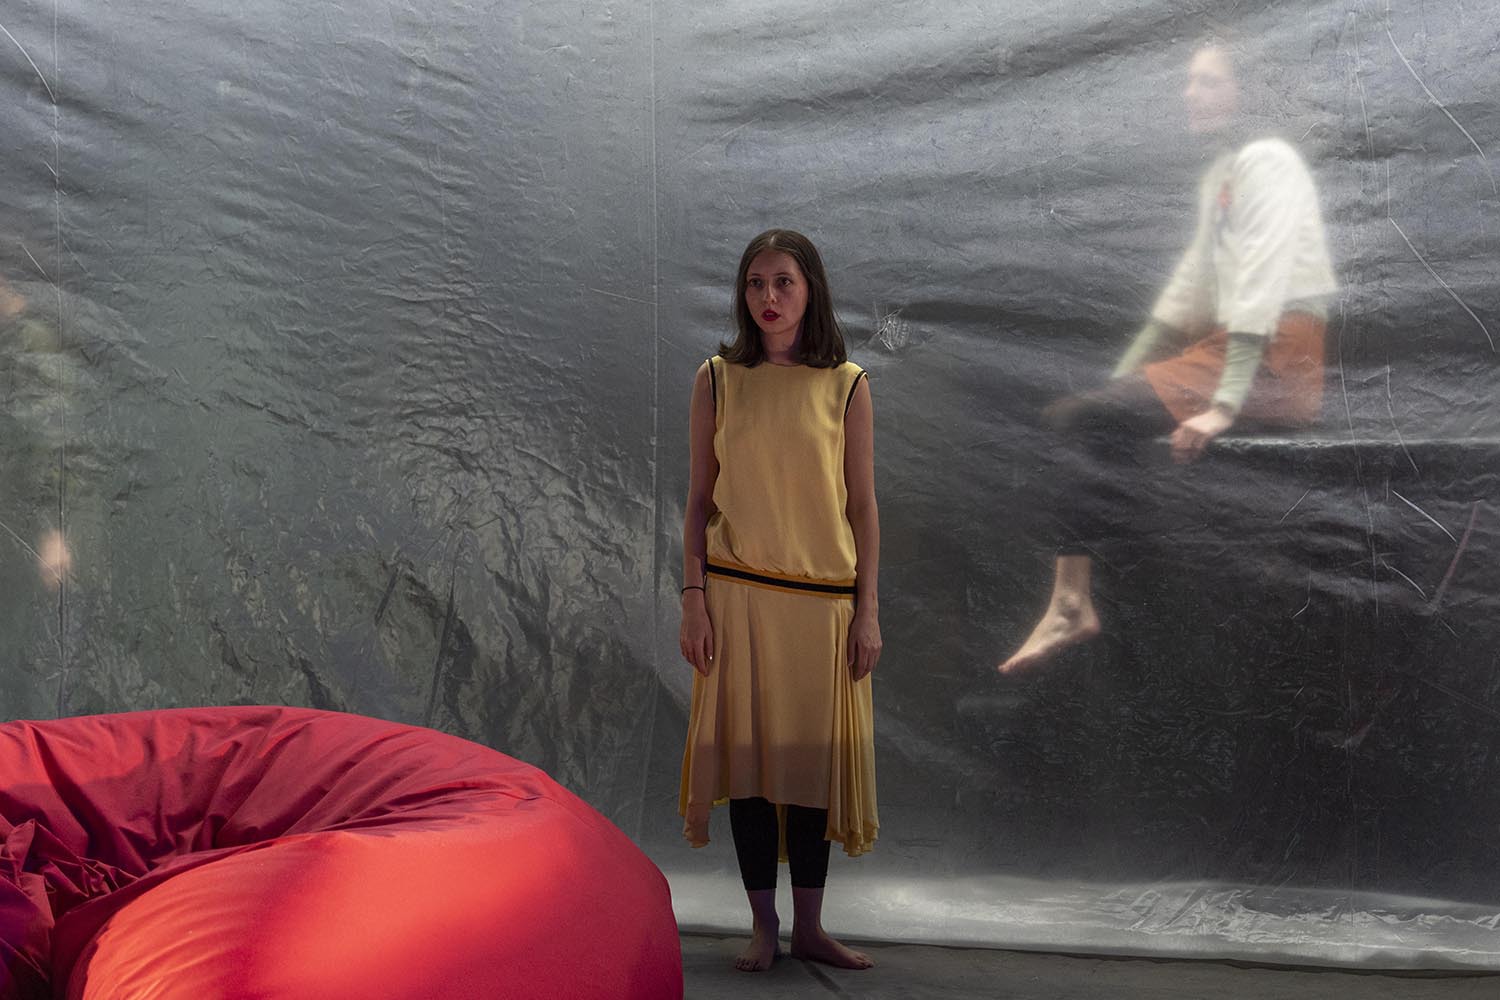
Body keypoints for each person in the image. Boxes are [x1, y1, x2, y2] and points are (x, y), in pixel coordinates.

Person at [998, 40, 1338, 674]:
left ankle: (1073, 604)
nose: (1190, 93)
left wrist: (1225, 406)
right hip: (1229, 348)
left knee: (1083, 418)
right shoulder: (1223, 175)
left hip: (1276, 359)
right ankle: (1085, 601)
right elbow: (1184, 293)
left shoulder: (1271, 161)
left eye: (1208, 81)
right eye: (1189, 81)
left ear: (1246, 90)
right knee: (1080, 415)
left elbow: (1261, 284)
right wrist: (1122, 379)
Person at [678, 228, 881, 972]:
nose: (769, 297)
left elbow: (863, 507)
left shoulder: (848, 385)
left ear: (810, 289)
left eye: (784, 282)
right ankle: (764, 927)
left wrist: (868, 610)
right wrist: (693, 597)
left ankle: (811, 928)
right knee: (752, 774)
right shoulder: (717, 380)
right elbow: (699, 501)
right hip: (740, 600)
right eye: (756, 283)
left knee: (812, 771)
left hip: (822, 604)